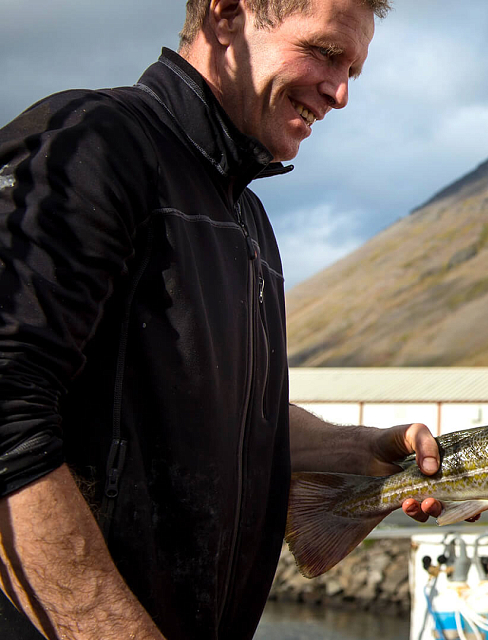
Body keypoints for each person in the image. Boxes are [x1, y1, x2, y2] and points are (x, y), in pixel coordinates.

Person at [0, 1, 444, 638]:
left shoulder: (250, 222)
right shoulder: (89, 145)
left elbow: (223, 418)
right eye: (323, 52)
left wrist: (355, 448)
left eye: (353, 69)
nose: (341, 94)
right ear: (227, 14)